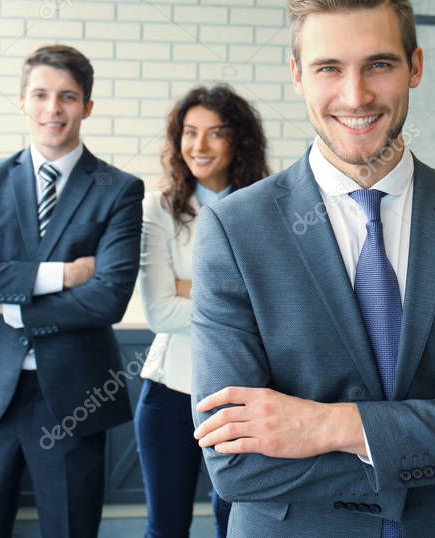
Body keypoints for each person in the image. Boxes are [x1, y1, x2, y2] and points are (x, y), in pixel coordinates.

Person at [190, 0, 435, 537]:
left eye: (379, 64)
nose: (356, 95)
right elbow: (236, 465)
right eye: (328, 68)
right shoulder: (235, 230)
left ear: (414, 67)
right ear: (297, 75)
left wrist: (330, 426)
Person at [0, 44, 144, 538]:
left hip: (74, 391)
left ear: (87, 106)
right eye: (41, 95)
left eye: (68, 97)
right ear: (23, 101)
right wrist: (64, 275)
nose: (53, 109)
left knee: (70, 530)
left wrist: (5, 298)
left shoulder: (119, 190)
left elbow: (109, 297)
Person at [135, 85, 269, 537]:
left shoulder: (266, 206)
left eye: (215, 133)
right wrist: (237, 296)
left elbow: (273, 303)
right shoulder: (158, 208)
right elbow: (159, 312)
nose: (199, 146)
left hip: (242, 392)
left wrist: (189, 288)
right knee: (166, 526)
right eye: (190, 133)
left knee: (234, 521)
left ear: (239, 141)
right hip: (170, 390)